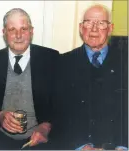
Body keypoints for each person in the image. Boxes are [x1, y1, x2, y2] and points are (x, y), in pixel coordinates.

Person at [0, 8, 59, 149]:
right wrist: (0, 115)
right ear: (4, 33)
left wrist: (45, 127)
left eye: (24, 29)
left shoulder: (51, 58)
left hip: (39, 140)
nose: (18, 35)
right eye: (12, 30)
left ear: (31, 31)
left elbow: (61, 103)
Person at [54, 4, 128, 150]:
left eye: (101, 23)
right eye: (89, 23)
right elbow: (58, 113)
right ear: (81, 28)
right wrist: (80, 145)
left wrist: (123, 146)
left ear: (110, 28)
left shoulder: (125, 61)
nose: (94, 29)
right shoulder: (63, 63)